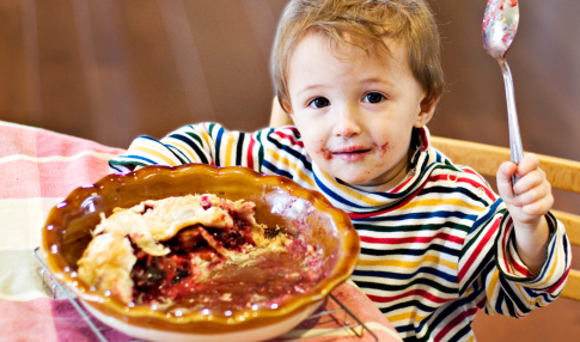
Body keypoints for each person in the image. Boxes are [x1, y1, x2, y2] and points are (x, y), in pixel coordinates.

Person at [109, 0, 571, 340]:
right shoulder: (281, 158)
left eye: (373, 97)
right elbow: (199, 144)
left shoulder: (457, 203)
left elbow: (516, 293)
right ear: (291, 109)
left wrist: (528, 226)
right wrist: (137, 189)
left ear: (424, 104)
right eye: (319, 102)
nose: (345, 126)